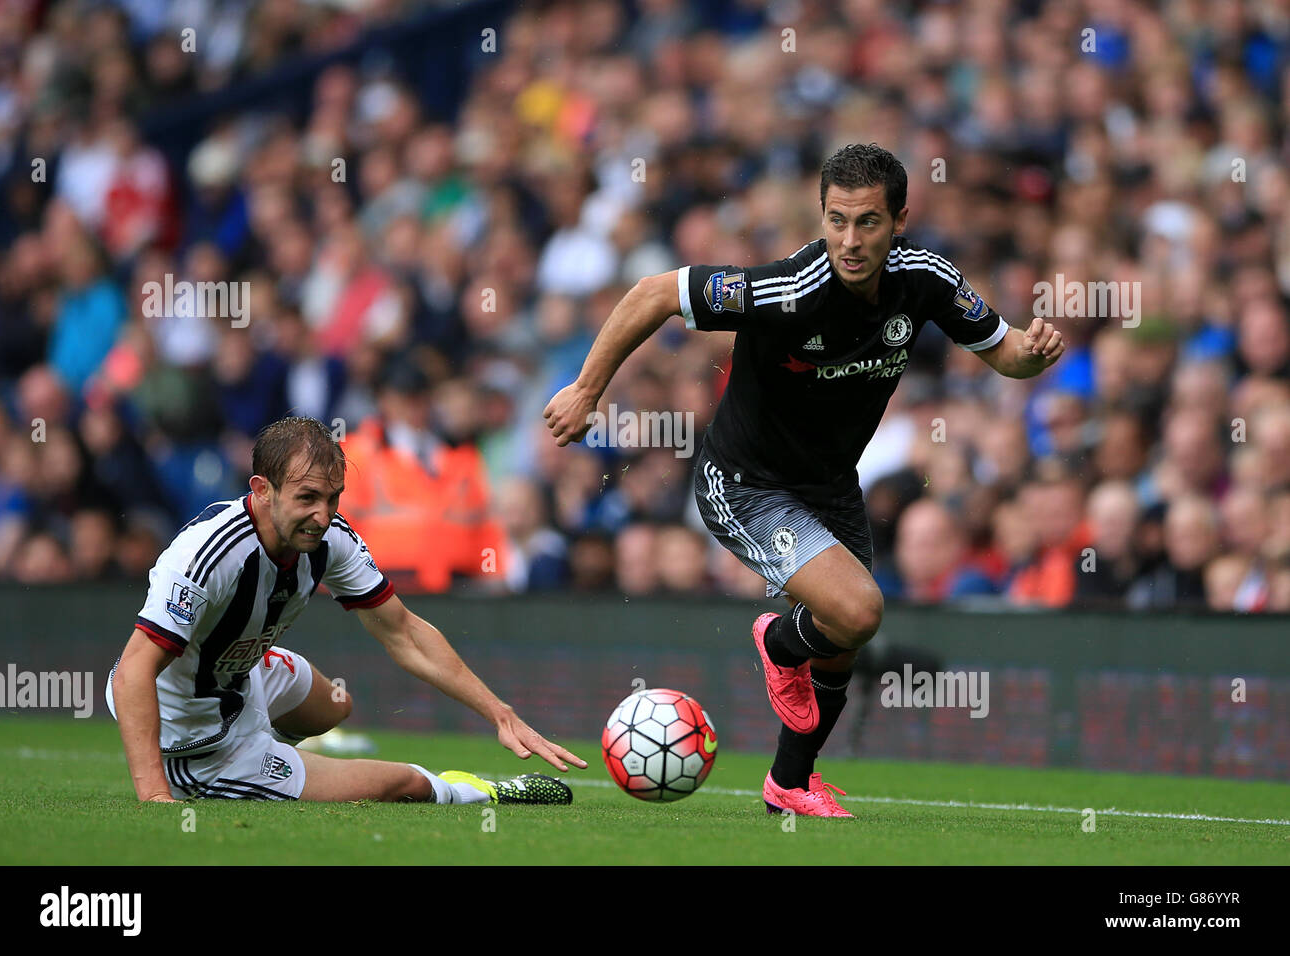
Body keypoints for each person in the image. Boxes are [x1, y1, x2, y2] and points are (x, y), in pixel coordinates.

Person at [544, 144, 1063, 817]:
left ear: (900, 218)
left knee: (842, 641)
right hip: (746, 482)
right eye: (837, 220)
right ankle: (778, 642)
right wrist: (587, 390)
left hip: (829, 484)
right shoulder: (786, 290)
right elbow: (654, 292)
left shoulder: (927, 279)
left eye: (869, 222)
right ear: (821, 216)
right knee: (858, 611)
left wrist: (1035, 351)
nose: (850, 240)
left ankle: (789, 783)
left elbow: (1007, 354)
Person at [107, 416, 585, 803]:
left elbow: (405, 633)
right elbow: (133, 672)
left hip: (240, 677)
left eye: (333, 498)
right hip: (192, 737)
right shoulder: (208, 554)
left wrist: (500, 714)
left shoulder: (327, 537)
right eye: (308, 498)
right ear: (262, 489)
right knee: (405, 785)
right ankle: (477, 792)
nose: (323, 514)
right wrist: (155, 799)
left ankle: (268, 746)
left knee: (335, 704)